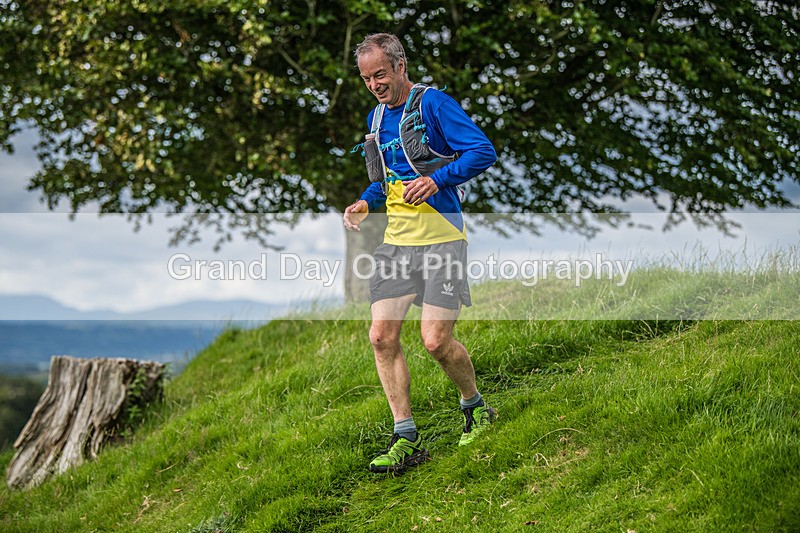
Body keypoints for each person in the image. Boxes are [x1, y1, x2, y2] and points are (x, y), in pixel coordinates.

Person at [343, 33, 497, 474]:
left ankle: (475, 407)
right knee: (381, 336)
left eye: (380, 74)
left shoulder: (434, 104)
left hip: (442, 237)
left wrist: (438, 179)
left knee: (435, 342)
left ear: (400, 66)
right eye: (366, 78)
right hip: (397, 244)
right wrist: (365, 202)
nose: (374, 85)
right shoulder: (375, 118)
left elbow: (483, 151)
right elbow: (385, 180)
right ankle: (406, 437)